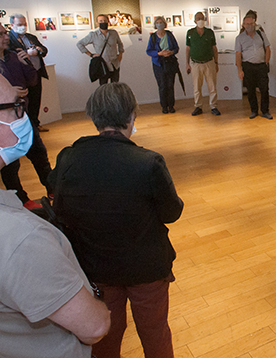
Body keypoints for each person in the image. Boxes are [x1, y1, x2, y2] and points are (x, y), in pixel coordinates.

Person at [50, 83, 184, 358]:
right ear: (132, 115)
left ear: (94, 116)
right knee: (154, 332)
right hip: (146, 268)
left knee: (105, 337)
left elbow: (61, 209)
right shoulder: (148, 162)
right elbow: (172, 212)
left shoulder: (69, 158)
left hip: (97, 267)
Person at [0, 73, 111, 358]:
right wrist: (99, 303)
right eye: (16, 107)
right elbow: (94, 326)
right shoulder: (21, 238)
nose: (22, 116)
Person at [0, 24, 52, 209]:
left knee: (38, 153)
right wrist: (7, 91)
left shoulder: (14, 57)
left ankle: (52, 188)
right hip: (4, 122)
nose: (6, 37)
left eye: (5, 33)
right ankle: (21, 199)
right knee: (11, 164)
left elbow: (32, 81)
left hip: (23, 115)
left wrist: (26, 64)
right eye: (1, 34)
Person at [8, 13, 49, 131]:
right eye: (19, 24)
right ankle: (27, 128)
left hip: (36, 72)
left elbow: (44, 50)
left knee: (36, 100)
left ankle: (35, 125)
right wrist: (27, 52)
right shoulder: (10, 38)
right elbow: (10, 54)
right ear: (12, 25)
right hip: (21, 76)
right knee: (25, 102)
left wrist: (38, 50)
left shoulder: (31, 37)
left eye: (24, 24)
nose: (23, 26)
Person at [236, 12, 272, 119]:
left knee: (264, 89)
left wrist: (266, 62)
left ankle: (265, 111)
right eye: (246, 24)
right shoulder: (239, 38)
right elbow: (238, 54)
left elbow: (267, 48)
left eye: (251, 24)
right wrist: (239, 69)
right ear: (243, 25)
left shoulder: (261, 34)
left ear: (254, 24)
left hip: (261, 66)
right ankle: (254, 110)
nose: (249, 26)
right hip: (248, 66)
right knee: (251, 90)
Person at [186, 12, 219, 116]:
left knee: (212, 86)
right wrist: (187, 64)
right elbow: (188, 49)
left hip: (209, 63)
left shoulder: (210, 32)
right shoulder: (190, 32)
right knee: (196, 87)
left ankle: (213, 106)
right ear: (195, 21)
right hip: (195, 63)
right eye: (198, 18)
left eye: (202, 18)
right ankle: (198, 106)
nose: (200, 20)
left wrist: (216, 62)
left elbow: (214, 48)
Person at [76, 14, 124, 85]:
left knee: (115, 87)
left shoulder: (114, 33)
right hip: (102, 65)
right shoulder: (93, 35)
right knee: (103, 87)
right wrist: (91, 55)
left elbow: (120, 43)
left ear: (108, 22)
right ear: (97, 23)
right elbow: (80, 44)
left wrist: (120, 54)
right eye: (101, 21)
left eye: (105, 21)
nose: (103, 22)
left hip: (115, 64)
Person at [146, 16, 180, 114]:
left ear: (165, 24)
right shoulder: (153, 36)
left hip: (170, 62)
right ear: (155, 25)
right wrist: (159, 53)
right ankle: (164, 106)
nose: (160, 24)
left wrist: (171, 52)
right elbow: (149, 51)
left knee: (170, 85)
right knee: (162, 85)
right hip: (158, 64)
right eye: (158, 22)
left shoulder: (169, 35)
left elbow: (176, 48)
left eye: (161, 22)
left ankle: (171, 106)